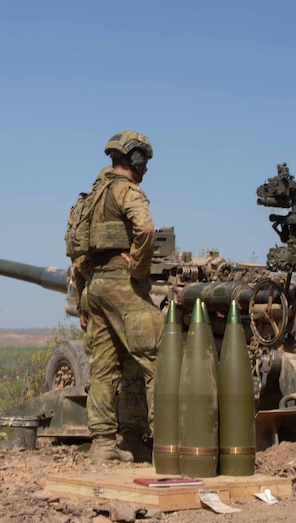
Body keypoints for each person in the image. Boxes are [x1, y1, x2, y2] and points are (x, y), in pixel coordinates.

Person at [76, 130, 164, 463]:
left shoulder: (92, 197)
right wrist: (138, 270)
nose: (146, 169)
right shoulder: (127, 191)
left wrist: (83, 292)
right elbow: (145, 229)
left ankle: (105, 446)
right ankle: (168, 443)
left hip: (94, 289)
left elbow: (76, 249)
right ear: (135, 157)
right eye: (144, 160)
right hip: (121, 286)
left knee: (107, 368)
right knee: (159, 358)